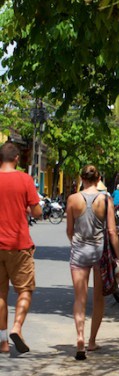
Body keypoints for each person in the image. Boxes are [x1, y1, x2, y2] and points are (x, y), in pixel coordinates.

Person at [66, 164, 119, 360]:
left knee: (79, 298)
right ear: (99, 179)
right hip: (100, 253)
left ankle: (79, 337)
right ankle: (91, 341)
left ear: (82, 178)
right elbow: (112, 232)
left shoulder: (72, 199)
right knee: (98, 298)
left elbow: (69, 231)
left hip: (79, 252)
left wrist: (77, 243)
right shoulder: (106, 200)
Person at [0, 142, 43, 354]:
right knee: (25, 290)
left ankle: (3, 342)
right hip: (19, 245)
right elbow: (37, 213)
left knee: (0, 293)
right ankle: (17, 327)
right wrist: (26, 208)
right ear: (16, 158)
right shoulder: (25, 179)